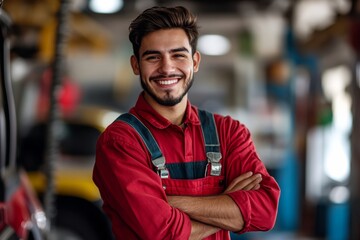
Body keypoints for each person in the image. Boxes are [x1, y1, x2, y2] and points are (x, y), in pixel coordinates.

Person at [93, 6, 280, 240]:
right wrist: (226, 203)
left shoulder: (229, 133)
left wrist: (170, 204)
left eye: (178, 55)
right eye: (153, 57)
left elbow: (265, 211)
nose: (167, 68)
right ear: (135, 65)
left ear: (195, 61)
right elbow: (162, 233)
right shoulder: (120, 142)